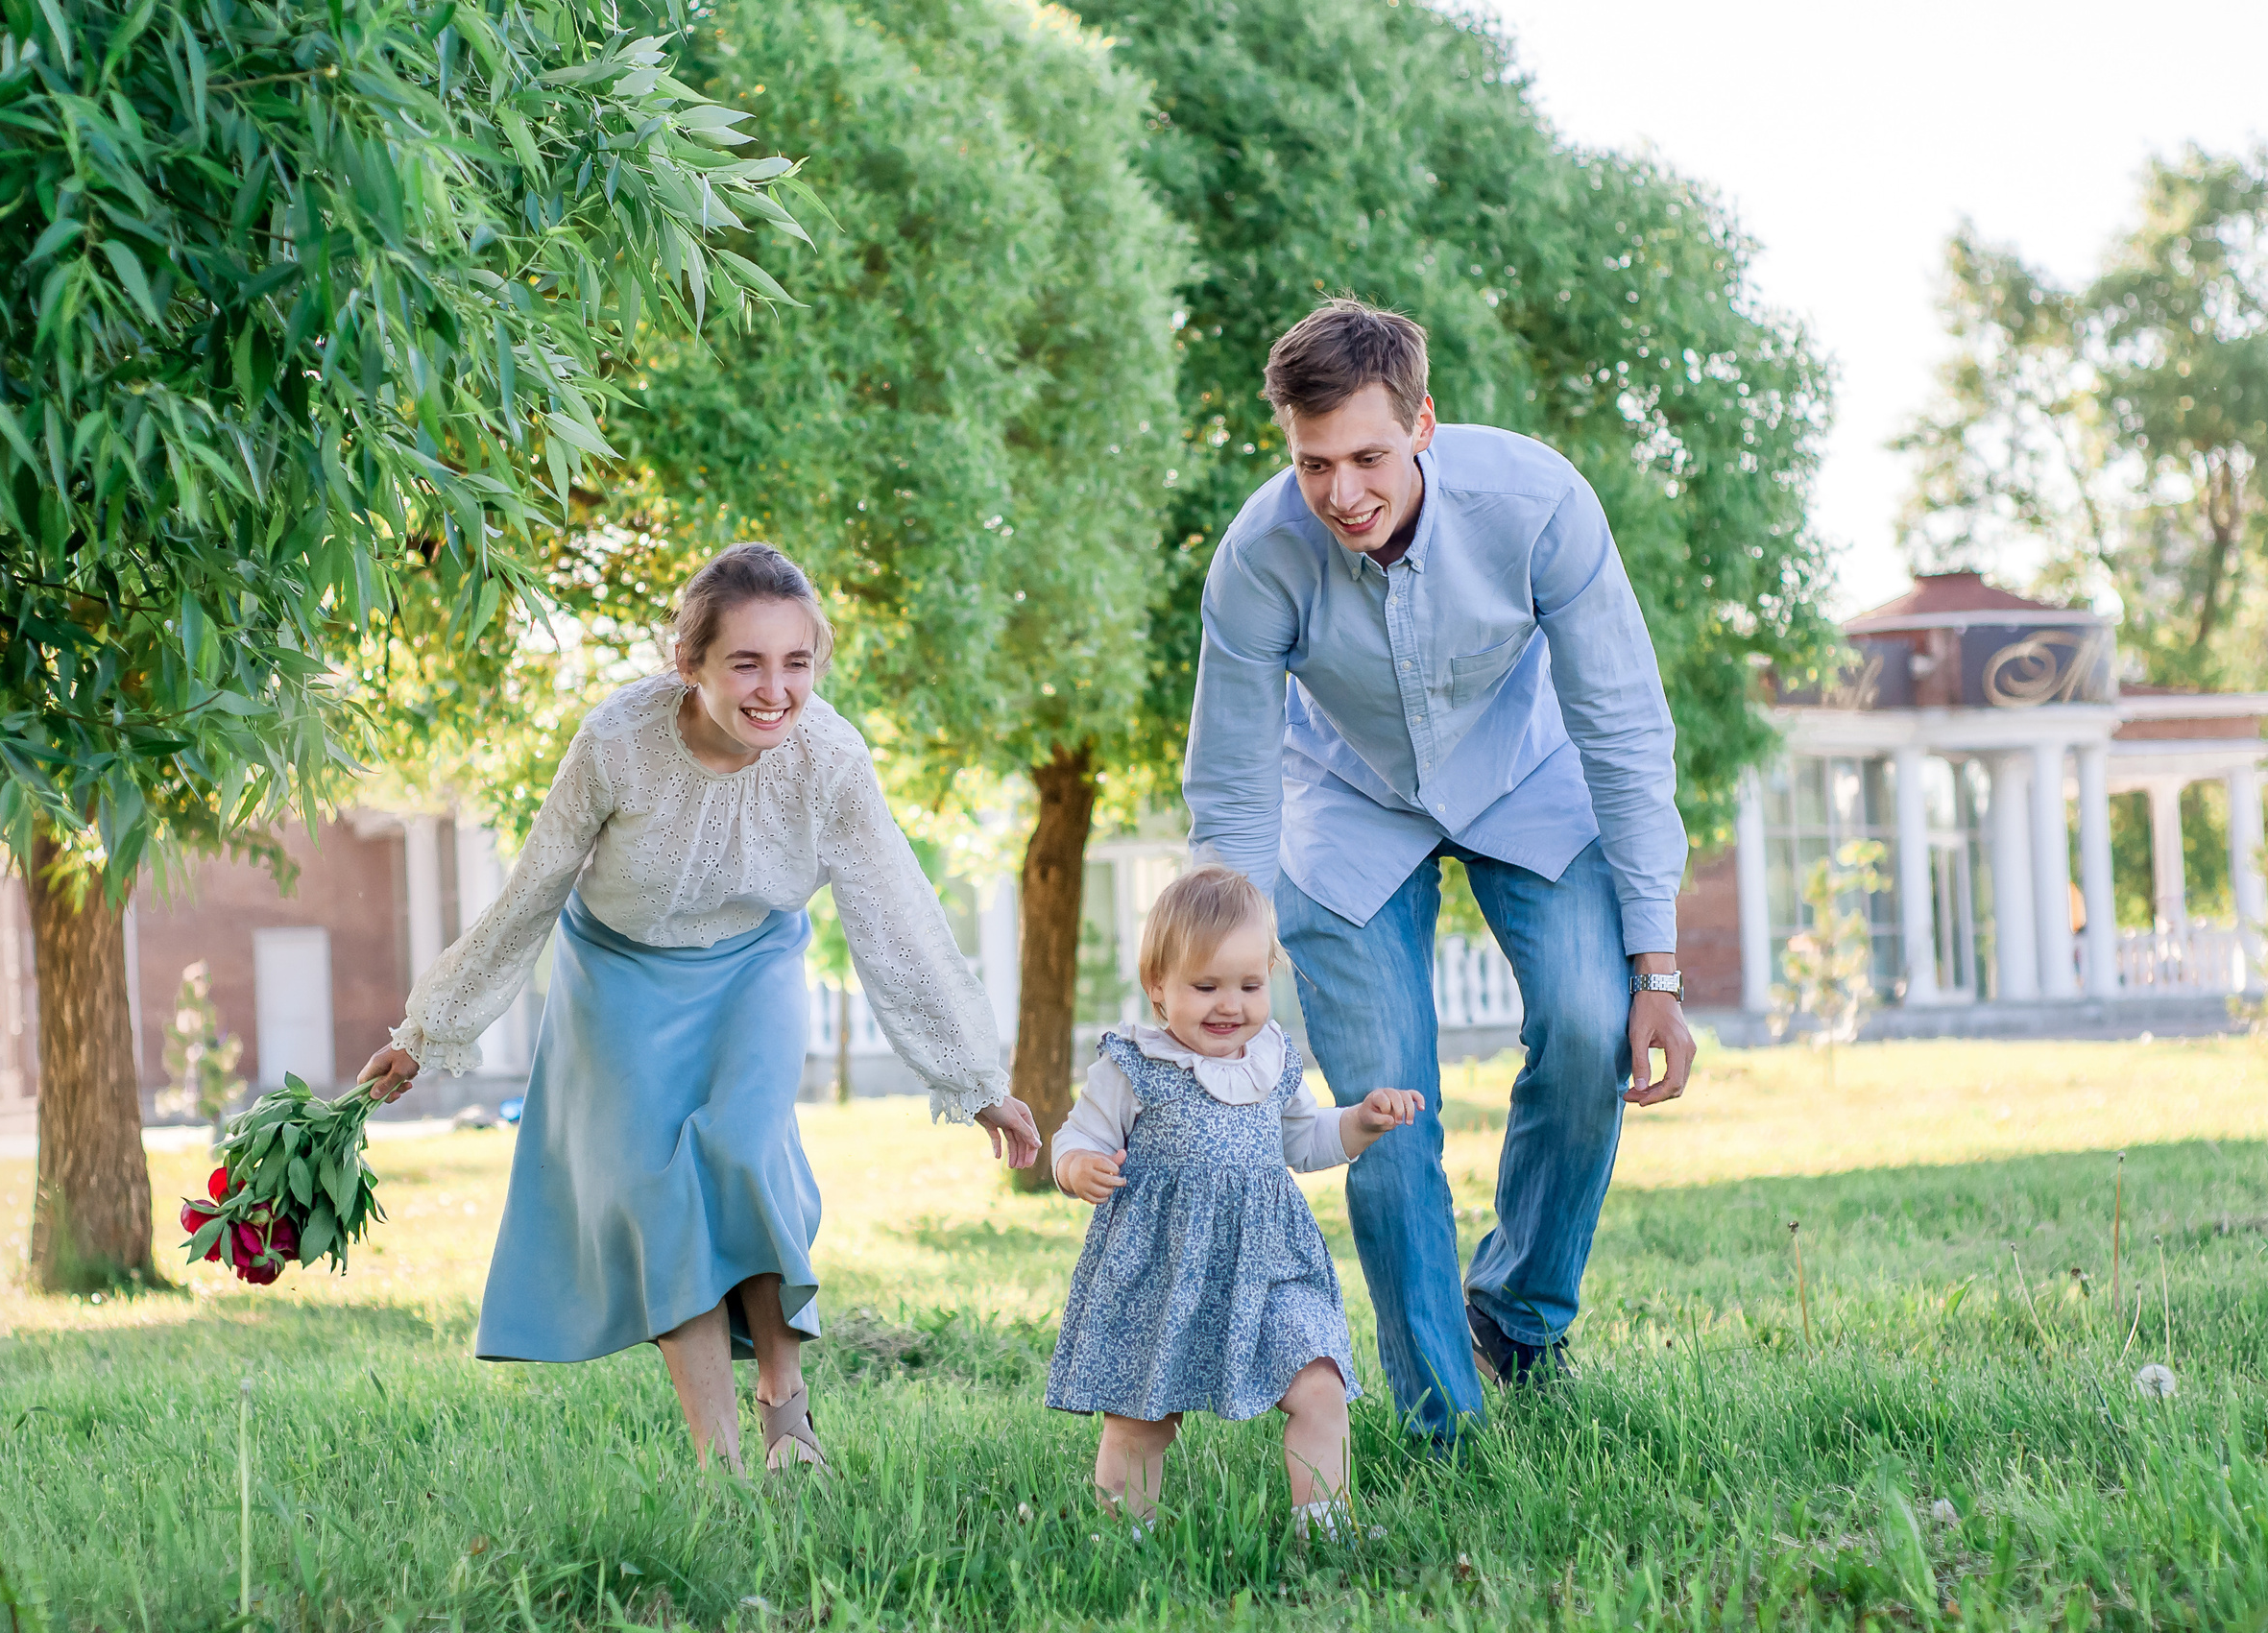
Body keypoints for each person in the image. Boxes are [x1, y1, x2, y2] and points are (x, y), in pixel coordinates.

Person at [359, 542, 1042, 1476]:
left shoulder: (829, 758)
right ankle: (720, 1465)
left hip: (753, 961)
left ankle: (787, 1419)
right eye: (746, 663)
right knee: (659, 1192)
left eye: (796, 663)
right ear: (691, 664)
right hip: (619, 975)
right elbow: (531, 892)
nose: (775, 690)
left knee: (746, 1148)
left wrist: (971, 1081)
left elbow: (896, 916)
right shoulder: (616, 743)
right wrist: (429, 1034)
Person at [1184, 299, 1697, 1445]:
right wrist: (1219, 989)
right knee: (1385, 1113)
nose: (1342, 493)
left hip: (1523, 778)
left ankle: (1515, 1317)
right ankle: (1439, 1422)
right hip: (1347, 808)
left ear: (1423, 422)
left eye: (1368, 456)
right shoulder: (1261, 555)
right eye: (1313, 464)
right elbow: (1228, 783)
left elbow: (1620, 723)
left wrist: (1654, 963)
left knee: (1584, 1022)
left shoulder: (1537, 504)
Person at [1045, 867, 1422, 1538]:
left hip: (1269, 1265)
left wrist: (1362, 1120)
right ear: (1157, 986)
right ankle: (1123, 1536)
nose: (1231, 1004)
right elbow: (1078, 1135)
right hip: (1163, 1269)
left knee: (1320, 1382)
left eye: (1250, 985)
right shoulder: (1134, 1063)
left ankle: (1326, 1527)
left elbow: (1305, 1140)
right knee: (1141, 1419)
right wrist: (1079, 1165)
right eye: (1205, 985)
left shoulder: (1272, 1058)